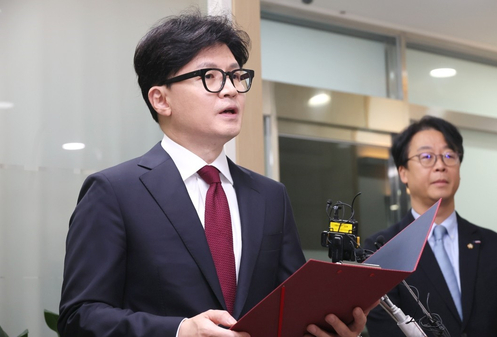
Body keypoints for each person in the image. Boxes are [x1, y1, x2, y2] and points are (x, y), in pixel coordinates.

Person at [58, 11, 370, 337]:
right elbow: (81, 317)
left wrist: (326, 328)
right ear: (161, 99)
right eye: (210, 77)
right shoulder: (114, 192)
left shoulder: (270, 196)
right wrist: (181, 331)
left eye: (236, 76)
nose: (231, 90)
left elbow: (288, 307)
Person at [363, 116, 497, 336]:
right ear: (403, 172)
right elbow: (385, 327)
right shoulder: (382, 248)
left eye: (449, 156)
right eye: (427, 157)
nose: (440, 166)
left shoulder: (494, 245)